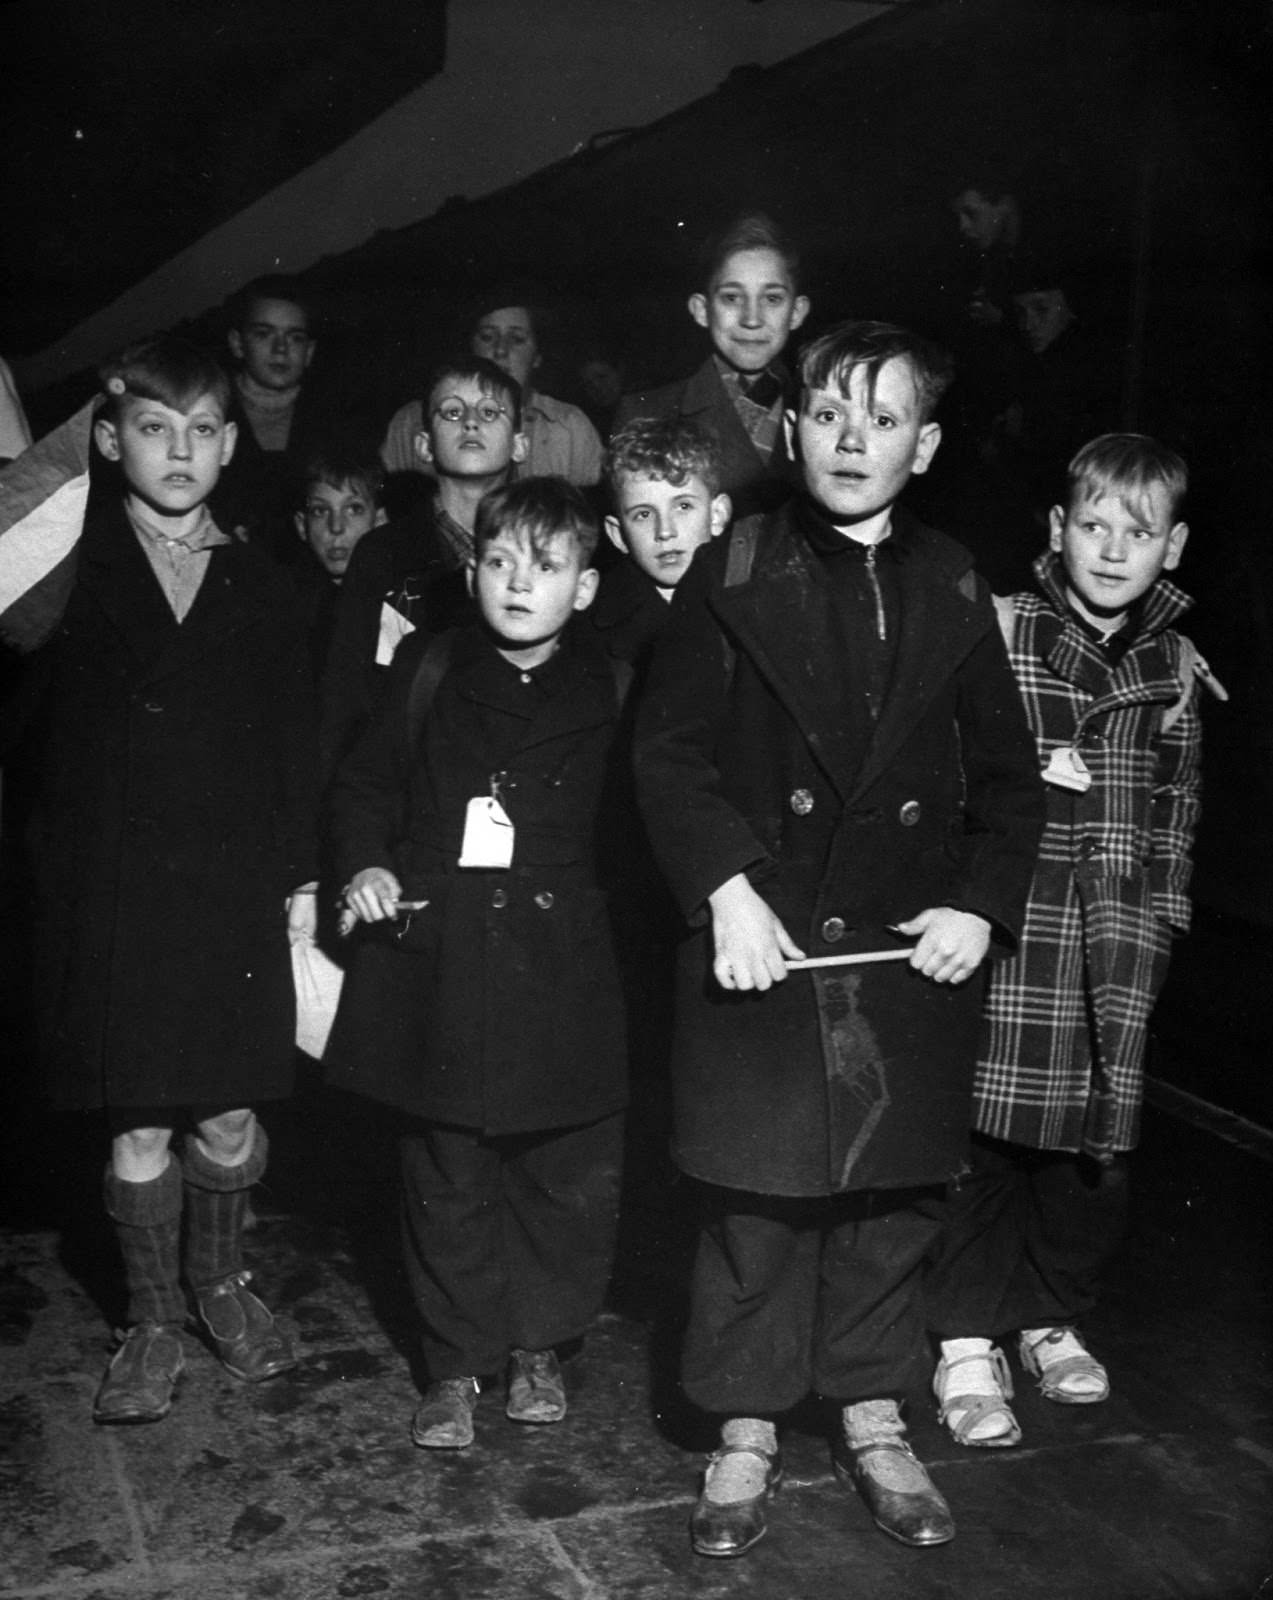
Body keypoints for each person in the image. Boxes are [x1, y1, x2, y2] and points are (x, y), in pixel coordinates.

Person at [633, 319, 1044, 1557]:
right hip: (764, 943)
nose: (851, 438)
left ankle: (872, 1406)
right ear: (789, 427)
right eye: (826, 413)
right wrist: (724, 888)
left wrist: (978, 903)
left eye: (881, 418)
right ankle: (745, 1424)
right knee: (753, 1205)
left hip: (900, 952)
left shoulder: (958, 581)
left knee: (887, 1197)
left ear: (922, 444)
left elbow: (1011, 785)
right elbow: (665, 753)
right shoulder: (737, 561)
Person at [3, 334, 318, 1424]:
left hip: (230, 888)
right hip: (111, 887)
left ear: (231, 445)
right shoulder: (54, 572)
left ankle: (223, 1287)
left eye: (199, 430)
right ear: (107, 437)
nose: (177, 450)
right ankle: (149, 1318)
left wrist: (300, 882)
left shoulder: (270, 587)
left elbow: (296, 752)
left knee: (228, 1116)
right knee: (136, 1125)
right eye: (150, 426)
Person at [925, 434, 1217, 1449]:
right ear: (1057, 529)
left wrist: (1163, 913)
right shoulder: (1002, 631)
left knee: (1090, 1161)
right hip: (1020, 931)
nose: (1107, 549)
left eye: (1133, 534)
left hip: (1115, 944)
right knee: (984, 1141)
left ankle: (1048, 1316)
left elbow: (1179, 803)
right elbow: (953, 764)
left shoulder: (1177, 665)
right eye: (1090, 526)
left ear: (1169, 548)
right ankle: (963, 1336)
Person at [324, 476, 628, 1450]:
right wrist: (366, 861)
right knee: (444, 1170)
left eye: (545, 567)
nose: (517, 583)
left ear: (583, 586)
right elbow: (365, 784)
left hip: (563, 963)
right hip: (443, 961)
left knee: (561, 1167)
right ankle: (455, 1362)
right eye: (498, 561)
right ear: (471, 567)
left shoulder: (616, 681)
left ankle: (539, 1343)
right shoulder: (429, 663)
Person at [320, 356, 526, 782]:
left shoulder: (541, 554)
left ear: (520, 444)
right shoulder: (381, 555)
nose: (470, 422)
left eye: (489, 412)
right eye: (452, 412)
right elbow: (346, 701)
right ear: (424, 445)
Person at [612, 213, 810, 520]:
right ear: (702, 310)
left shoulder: (824, 412)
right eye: (732, 298)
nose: (752, 319)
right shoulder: (645, 415)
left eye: (772, 298)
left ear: (796, 312)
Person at [379, 293, 603, 489]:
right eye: (487, 337)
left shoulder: (570, 426)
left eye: (516, 339)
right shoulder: (410, 423)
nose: (500, 350)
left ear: (537, 356)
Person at [589, 415, 731, 672]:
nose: (665, 531)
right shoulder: (592, 632)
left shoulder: (750, 601)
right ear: (618, 535)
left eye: (683, 506)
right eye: (643, 514)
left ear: (717, 515)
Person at [214, 275, 337, 560]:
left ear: (309, 352)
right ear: (237, 343)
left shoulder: (335, 420)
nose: (280, 349)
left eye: (294, 337)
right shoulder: (208, 414)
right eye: (264, 334)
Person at [291, 447, 386, 680]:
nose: (336, 527)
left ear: (380, 521)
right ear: (302, 526)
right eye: (320, 510)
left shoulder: (397, 607)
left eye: (353, 509)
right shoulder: (291, 611)